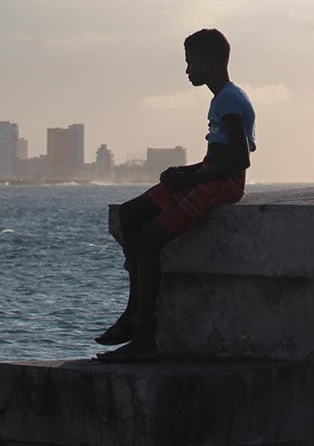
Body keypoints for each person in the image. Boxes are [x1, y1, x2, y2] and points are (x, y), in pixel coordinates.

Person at [95, 28, 255, 363]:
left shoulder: (229, 100)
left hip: (222, 184)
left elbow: (239, 160)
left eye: (191, 62)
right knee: (130, 214)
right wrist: (185, 172)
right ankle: (133, 310)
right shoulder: (222, 98)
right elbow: (218, 156)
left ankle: (144, 337)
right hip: (210, 176)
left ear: (210, 62)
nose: (187, 70)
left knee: (149, 243)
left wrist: (194, 179)